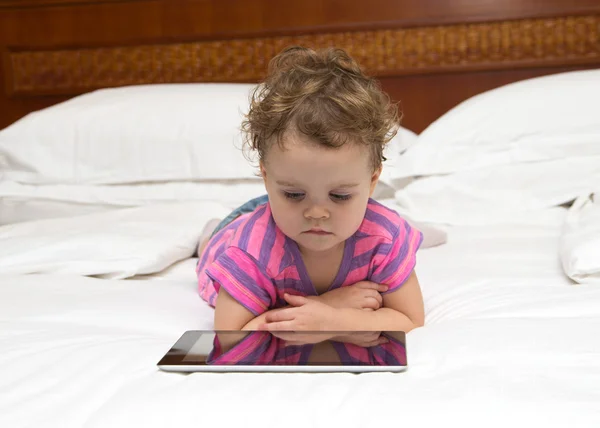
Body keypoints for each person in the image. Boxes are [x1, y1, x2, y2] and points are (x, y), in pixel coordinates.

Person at [196, 46, 424, 347]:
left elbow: (411, 319)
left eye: (340, 196)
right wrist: (330, 307)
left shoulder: (385, 236)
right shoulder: (248, 250)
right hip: (238, 231)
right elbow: (229, 336)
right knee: (214, 239)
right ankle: (210, 232)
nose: (317, 213)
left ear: (371, 182)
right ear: (265, 177)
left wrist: (335, 322)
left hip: (279, 216)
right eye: (293, 194)